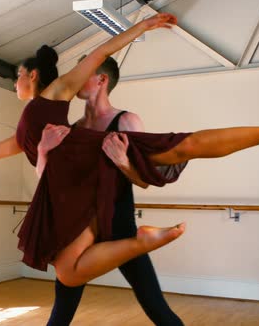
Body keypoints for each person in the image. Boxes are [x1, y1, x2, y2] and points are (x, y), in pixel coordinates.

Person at [0, 12, 259, 289]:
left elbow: (98, 54)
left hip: (86, 161)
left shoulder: (55, 94)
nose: (14, 82)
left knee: (180, 146)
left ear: (33, 75)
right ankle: (143, 241)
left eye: (16, 75)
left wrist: (143, 25)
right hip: (73, 187)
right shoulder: (32, 127)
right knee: (69, 274)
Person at [43, 56, 183, 325]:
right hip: (80, 231)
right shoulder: (71, 130)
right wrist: (44, 151)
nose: (75, 77)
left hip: (120, 228)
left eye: (83, 72)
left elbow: (143, 180)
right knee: (60, 312)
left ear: (102, 80)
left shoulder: (127, 121)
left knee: (156, 307)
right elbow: (58, 185)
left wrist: (123, 162)